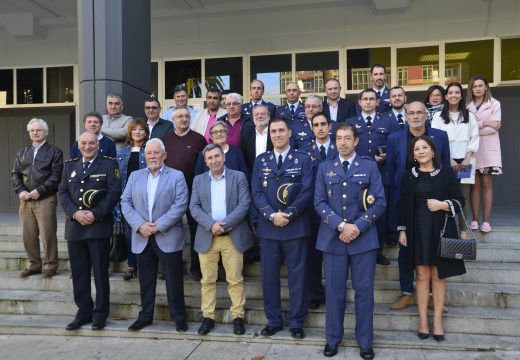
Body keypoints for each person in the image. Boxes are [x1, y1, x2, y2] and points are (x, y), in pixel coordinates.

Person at [315, 123, 385, 359]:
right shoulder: (325, 168)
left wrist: (358, 226)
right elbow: (319, 202)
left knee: (364, 292)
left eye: (347, 138)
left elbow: (380, 202)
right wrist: (342, 226)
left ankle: (365, 341)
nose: (342, 142)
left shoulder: (369, 166)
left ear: (356, 141)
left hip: (363, 240)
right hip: (333, 240)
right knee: (334, 292)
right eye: (339, 138)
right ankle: (333, 339)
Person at [398, 135, 466, 342]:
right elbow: (402, 204)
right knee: (421, 275)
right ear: (413, 155)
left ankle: (437, 320)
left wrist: (443, 205)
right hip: (417, 229)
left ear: (433, 151)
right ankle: (423, 321)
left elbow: (460, 201)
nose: (420, 151)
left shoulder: (446, 173)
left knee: (438, 275)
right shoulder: (408, 175)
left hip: (441, 230)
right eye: (416, 149)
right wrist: (402, 230)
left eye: (424, 147)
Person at [252, 116, 313, 339]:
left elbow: (307, 191)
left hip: (295, 227)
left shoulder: (303, 159)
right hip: (269, 229)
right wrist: (271, 215)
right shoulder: (261, 161)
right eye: (273, 132)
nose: (277, 135)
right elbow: (257, 193)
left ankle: (296, 322)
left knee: (298, 277)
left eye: (281, 131)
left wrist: (288, 214)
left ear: (289, 133)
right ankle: (274, 320)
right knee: (269, 278)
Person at [386, 101, 451, 311]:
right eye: (411, 113)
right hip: (404, 203)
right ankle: (407, 292)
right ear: (406, 117)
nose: (415, 116)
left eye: (419, 113)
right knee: (405, 250)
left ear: (426, 115)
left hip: (433, 203)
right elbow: (391, 171)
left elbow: (445, 169)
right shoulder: (394, 138)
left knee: (434, 249)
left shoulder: (440, 137)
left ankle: (433, 295)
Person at [121, 138, 189, 332]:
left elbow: (180, 205)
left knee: (173, 279)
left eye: (156, 152)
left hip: (167, 236)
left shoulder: (177, 176)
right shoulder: (135, 176)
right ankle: (146, 316)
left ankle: (178, 317)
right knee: (146, 280)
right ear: (144, 155)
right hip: (142, 236)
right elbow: (125, 202)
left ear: (164, 155)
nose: (152, 156)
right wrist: (140, 225)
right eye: (149, 153)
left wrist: (158, 226)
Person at [58, 131, 121, 331]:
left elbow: (114, 193)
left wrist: (95, 214)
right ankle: (83, 312)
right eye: (83, 143)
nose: (87, 146)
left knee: (101, 274)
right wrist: (75, 213)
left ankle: (100, 314)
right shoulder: (70, 165)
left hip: (98, 227)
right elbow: (63, 192)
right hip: (75, 227)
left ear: (98, 145)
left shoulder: (109, 164)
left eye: (91, 143)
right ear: (78, 144)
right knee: (79, 273)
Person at [190, 144, 252, 336]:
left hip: (231, 236)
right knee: (207, 280)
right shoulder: (199, 180)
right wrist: (211, 225)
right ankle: (208, 317)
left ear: (223, 157)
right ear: (206, 161)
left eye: (217, 156)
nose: (214, 160)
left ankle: (238, 316)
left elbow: (244, 204)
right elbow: (194, 207)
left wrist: (223, 225)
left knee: (235, 279)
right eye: (210, 158)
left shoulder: (238, 176)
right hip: (207, 237)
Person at [347, 89, 399, 265]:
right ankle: (356, 247)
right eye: (365, 99)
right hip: (356, 175)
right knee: (356, 210)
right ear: (359, 102)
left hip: (381, 174)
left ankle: (378, 250)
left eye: (372, 99)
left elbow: (395, 145)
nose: (368, 102)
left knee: (379, 213)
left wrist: (387, 156)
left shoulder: (388, 121)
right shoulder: (351, 122)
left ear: (378, 102)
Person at [12, 118, 63, 278]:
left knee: (47, 234)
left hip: (45, 198)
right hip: (25, 199)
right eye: (32, 130)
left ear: (46, 132)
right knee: (28, 234)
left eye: (38, 130)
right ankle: (34, 264)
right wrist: (20, 190)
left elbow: (56, 176)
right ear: (29, 133)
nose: (35, 133)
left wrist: (39, 191)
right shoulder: (22, 152)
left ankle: (51, 265)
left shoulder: (54, 152)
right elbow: (16, 174)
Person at [162, 108, 207, 280]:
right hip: (170, 192)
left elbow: (204, 166)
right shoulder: (165, 140)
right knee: (168, 229)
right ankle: (170, 269)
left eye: (187, 116)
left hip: (193, 191)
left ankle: (197, 269)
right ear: (172, 119)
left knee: (196, 230)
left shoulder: (199, 139)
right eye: (180, 116)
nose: (184, 119)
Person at [299, 112, 338, 310]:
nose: (320, 127)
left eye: (323, 124)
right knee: (313, 257)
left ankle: (334, 294)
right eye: (316, 125)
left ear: (330, 126)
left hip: (338, 210)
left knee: (335, 257)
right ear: (311, 128)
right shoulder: (304, 151)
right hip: (313, 212)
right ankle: (314, 293)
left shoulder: (339, 147)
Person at [431, 82, 479, 237]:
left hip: (465, 162)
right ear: (446, 96)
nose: (453, 95)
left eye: (456, 92)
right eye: (450, 92)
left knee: (462, 195)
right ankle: (446, 229)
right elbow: (434, 140)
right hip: (445, 161)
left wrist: (466, 159)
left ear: (461, 95)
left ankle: (463, 229)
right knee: (444, 194)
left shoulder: (469, 115)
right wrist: (449, 159)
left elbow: (474, 137)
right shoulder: (438, 117)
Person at [466, 75, 502, 233]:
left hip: (489, 151)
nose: (478, 88)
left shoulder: (495, 103)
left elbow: (495, 127)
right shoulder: (466, 105)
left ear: (486, 87)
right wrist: (485, 123)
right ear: (471, 89)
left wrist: (475, 129)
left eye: (481, 85)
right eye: (475, 86)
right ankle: (474, 219)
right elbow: (467, 127)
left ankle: (486, 221)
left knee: (487, 184)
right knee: (474, 186)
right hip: (471, 151)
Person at [117, 118, 149, 280]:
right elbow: (118, 178)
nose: (138, 132)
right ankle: (131, 265)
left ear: (146, 132)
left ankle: (145, 265)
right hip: (127, 198)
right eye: (135, 129)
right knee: (130, 232)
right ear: (130, 132)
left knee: (145, 231)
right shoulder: (122, 152)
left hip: (146, 198)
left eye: (141, 129)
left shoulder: (149, 150)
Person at [240, 103, 273, 176]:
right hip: (253, 175)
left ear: (269, 116)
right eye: (256, 114)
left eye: (263, 114)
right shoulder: (246, 134)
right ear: (253, 117)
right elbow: (244, 158)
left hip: (273, 175)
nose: (259, 116)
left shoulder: (274, 133)